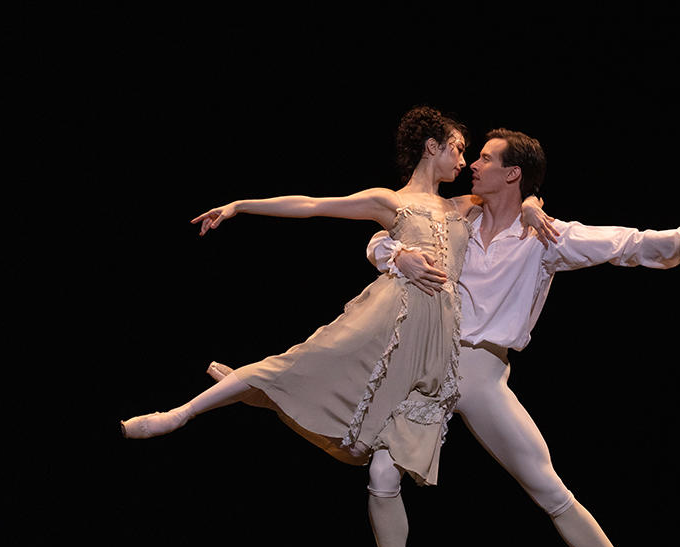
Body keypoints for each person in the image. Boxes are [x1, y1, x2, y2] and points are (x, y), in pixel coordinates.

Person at [359, 128, 680, 547]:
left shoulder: (544, 235)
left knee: (549, 488)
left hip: (483, 375)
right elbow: (386, 234)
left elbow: (625, 244)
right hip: (432, 365)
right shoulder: (455, 220)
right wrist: (397, 254)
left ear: (513, 174)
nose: (472, 166)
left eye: (484, 159)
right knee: (382, 472)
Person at [122, 106, 506, 490]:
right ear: (430, 147)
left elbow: (516, 200)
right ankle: (179, 413)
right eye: (456, 148)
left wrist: (532, 207)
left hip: (434, 338)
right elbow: (313, 205)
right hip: (388, 314)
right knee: (297, 365)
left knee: (374, 442)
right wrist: (240, 206)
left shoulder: (464, 206)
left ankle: (252, 392)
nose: (463, 160)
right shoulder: (390, 201)